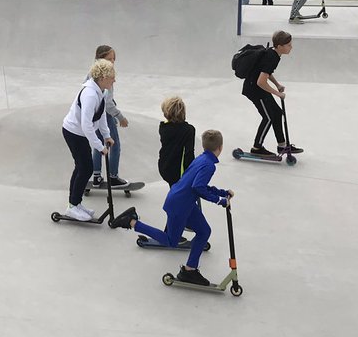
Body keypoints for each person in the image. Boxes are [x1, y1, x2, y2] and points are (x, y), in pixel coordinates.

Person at [108, 130, 233, 288]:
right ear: (220, 148)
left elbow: (198, 185)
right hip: (180, 206)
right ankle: (132, 222)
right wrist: (219, 200)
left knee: (204, 231)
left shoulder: (202, 159)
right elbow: (198, 187)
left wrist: (222, 192)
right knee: (171, 241)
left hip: (184, 202)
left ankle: (190, 270)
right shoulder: (209, 165)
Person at [60, 57, 115, 221]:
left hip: (81, 133)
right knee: (85, 168)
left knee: (82, 167)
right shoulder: (90, 94)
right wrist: (99, 146)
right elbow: (86, 125)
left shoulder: (101, 92)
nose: (114, 80)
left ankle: (75, 204)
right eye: (112, 78)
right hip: (74, 133)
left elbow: (102, 115)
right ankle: (72, 206)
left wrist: (107, 135)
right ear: (103, 78)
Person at [241, 30, 301, 156]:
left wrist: (277, 84)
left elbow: (266, 72)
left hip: (259, 88)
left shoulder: (273, 54)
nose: (291, 47)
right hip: (254, 90)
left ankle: (282, 145)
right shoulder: (272, 57)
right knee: (268, 118)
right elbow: (261, 82)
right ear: (280, 47)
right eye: (288, 45)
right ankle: (256, 148)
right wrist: (277, 93)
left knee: (277, 113)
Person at [90, 45, 130, 189]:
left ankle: (96, 176)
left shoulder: (92, 73)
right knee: (115, 144)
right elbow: (107, 103)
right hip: (105, 114)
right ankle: (113, 177)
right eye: (109, 59)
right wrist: (120, 117)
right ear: (99, 59)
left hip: (95, 112)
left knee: (98, 144)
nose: (112, 62)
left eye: (114, 59)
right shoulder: (106, 75)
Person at [156, 96, 196, 188]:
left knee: (174, 190)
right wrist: (192, 174)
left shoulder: (163, 128)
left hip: (164, 166)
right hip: (178, 171)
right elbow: (189, 153)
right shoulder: (189, 130)